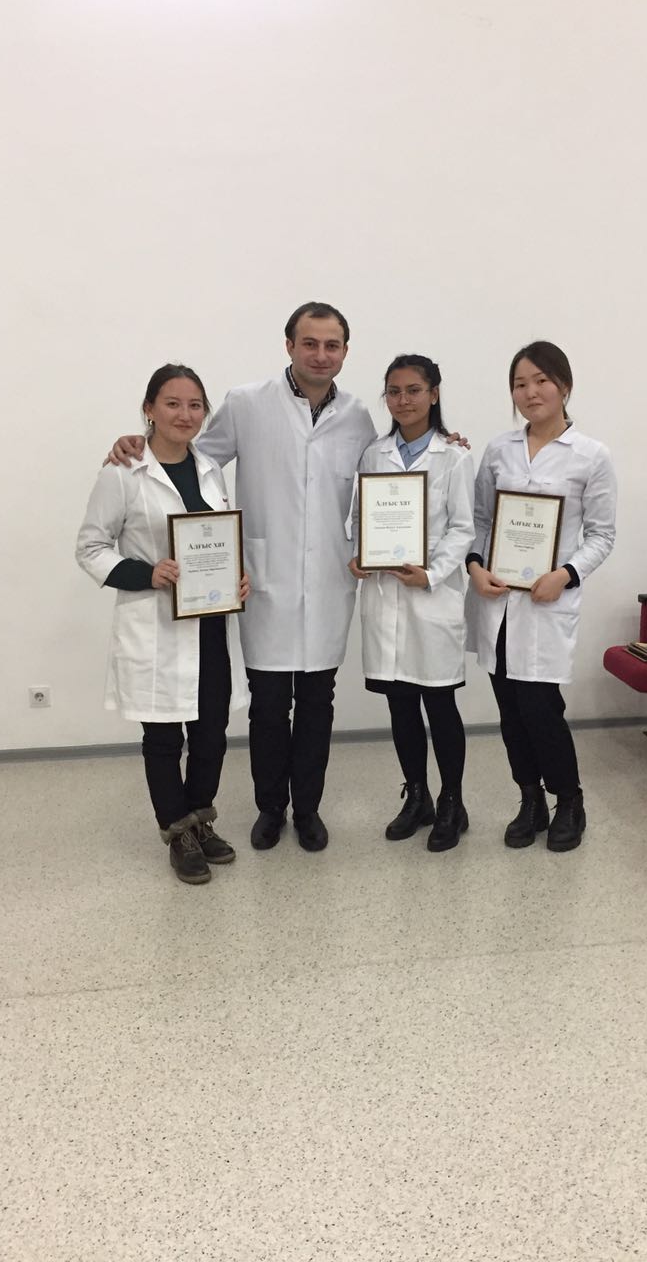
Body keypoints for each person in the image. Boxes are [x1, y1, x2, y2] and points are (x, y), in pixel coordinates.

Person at [107, 304, 376, 853]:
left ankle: (308, 809)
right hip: (263, 581)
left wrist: (444, 439)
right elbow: (187, 458)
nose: (320, 354)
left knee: (318, 703)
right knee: (268, 705)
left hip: (329, 581)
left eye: (332, 345)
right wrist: (137, 442)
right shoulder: (248, 403)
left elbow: (388, 478)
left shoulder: (358, 417)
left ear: (345, 352)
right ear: (289, 345)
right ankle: (270, 808)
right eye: (309, 343)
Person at [76, 364, 251, 884]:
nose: (185, 414)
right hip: (155, 624)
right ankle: (178, 833)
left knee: (211, 732)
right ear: (149, 409)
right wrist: (146, 573)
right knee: (163, 736)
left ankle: (201, 818)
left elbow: (217, 539)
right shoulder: (122, 472)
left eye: (195, 405)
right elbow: (90, 547)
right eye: (172, 403)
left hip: (211, 623)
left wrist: (236, 576)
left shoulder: (210, 469)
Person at [466, 341, 616, 851]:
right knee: (509, 710)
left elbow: (602, 536)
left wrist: (567, 574)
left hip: (546, 602)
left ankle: (569, 800)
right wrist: (474, 566)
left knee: (541, 709)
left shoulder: (591, 456)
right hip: (498, 602)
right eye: (520, 384)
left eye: (541, 381)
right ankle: (529, 800)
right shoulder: (499, 451)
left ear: (564, 386)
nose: (530, 392)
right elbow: (480, 520)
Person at [348, 355, 475, 852]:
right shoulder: (374, 454)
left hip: (431, 597)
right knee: (400, 704)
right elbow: (359, 516)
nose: (403, 400)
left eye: (414, 390)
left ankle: (452, 802)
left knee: (439, 704)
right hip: (384, 596)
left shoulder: (454, 456)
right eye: (394, 392)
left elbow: (464, 527)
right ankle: (417, 795)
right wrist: (359, 554)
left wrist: (433, 573)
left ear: (434, 394)